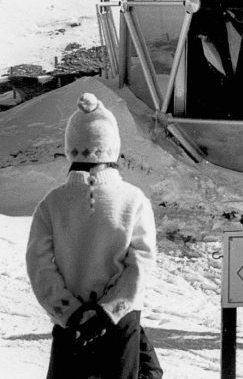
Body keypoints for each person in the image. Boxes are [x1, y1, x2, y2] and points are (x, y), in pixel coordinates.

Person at [26, 92, 163, 379]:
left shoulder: (51, 204)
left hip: (70, 326)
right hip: (120, 324)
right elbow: (141, 263)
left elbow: (39, 266)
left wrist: (71, 312)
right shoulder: (134, 200)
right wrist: (109, 309)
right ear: (112, 149)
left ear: (70, 149)